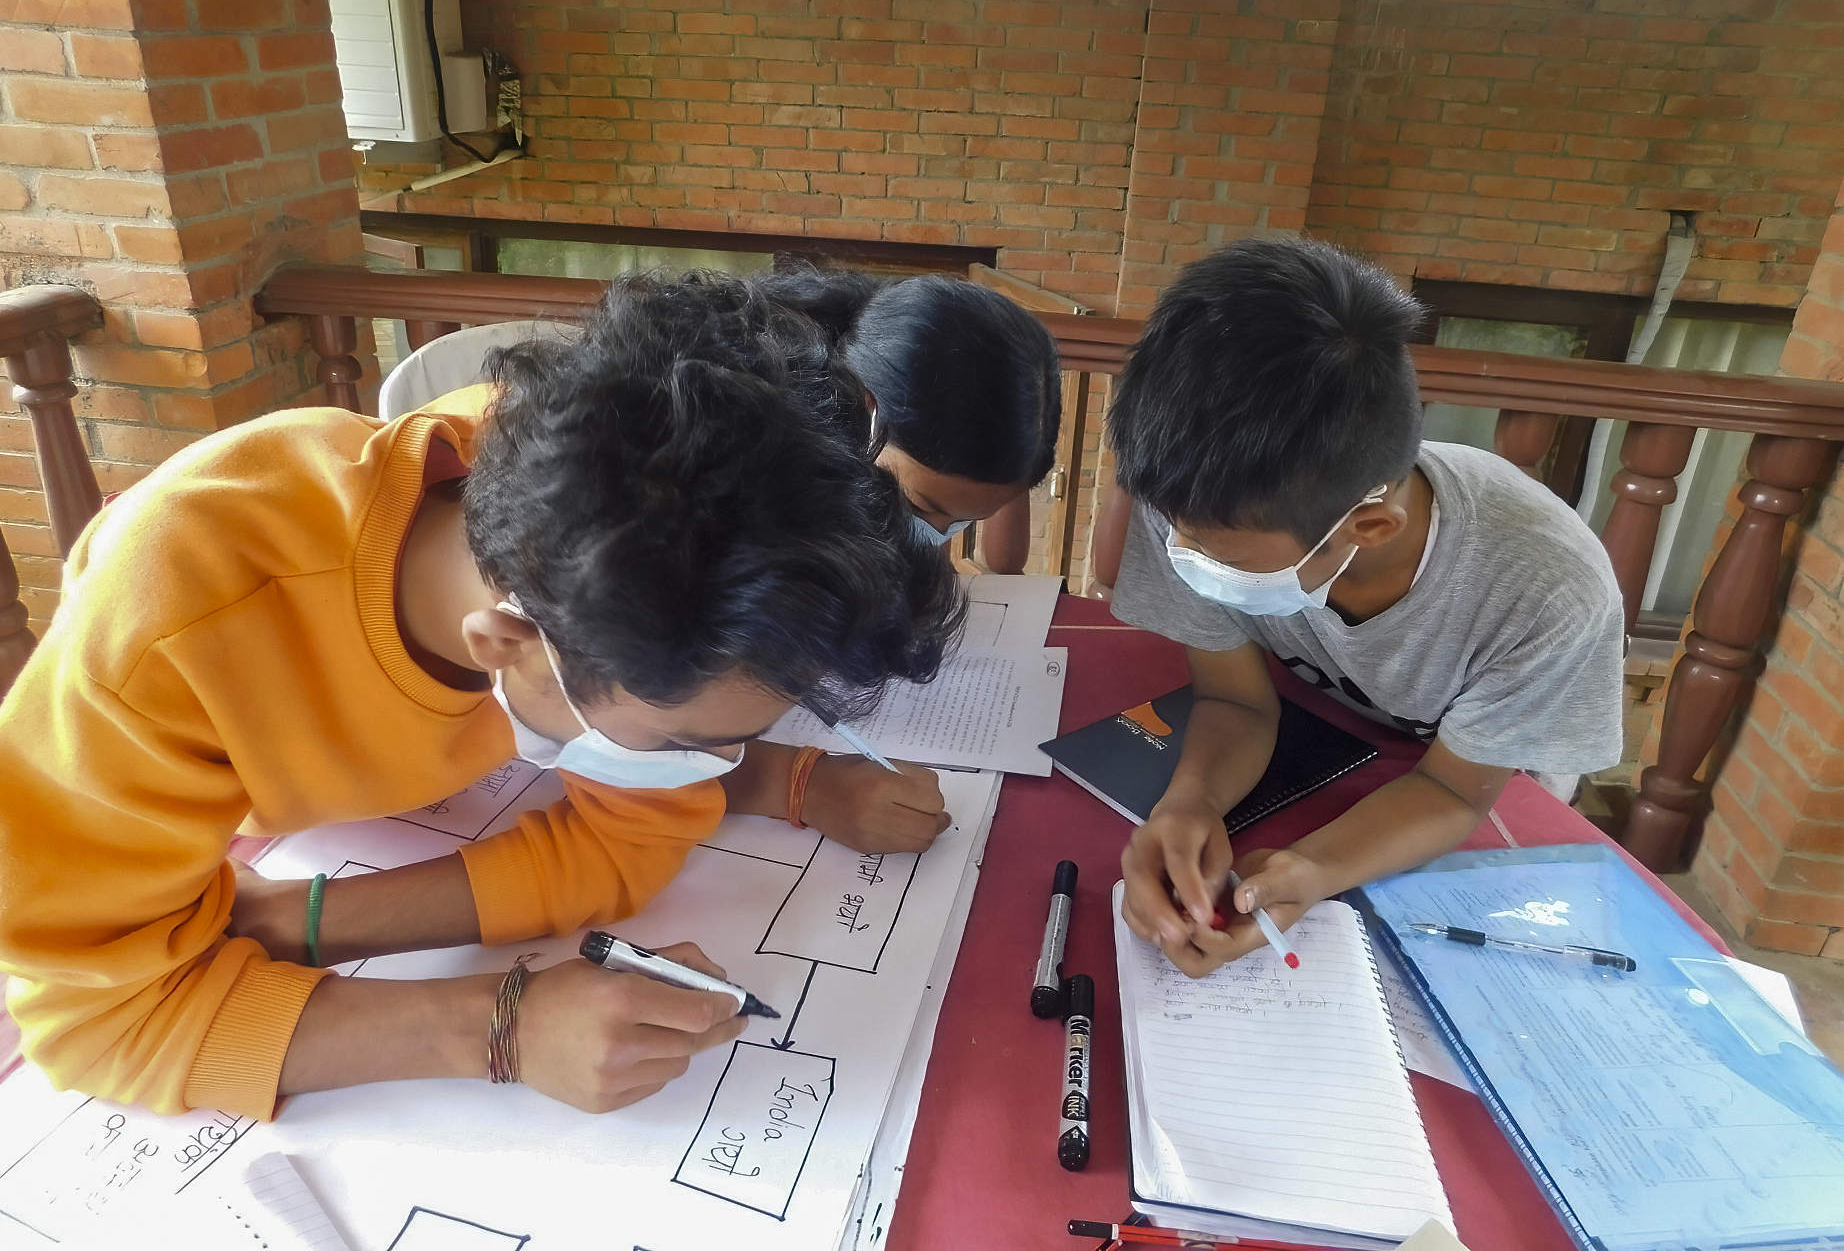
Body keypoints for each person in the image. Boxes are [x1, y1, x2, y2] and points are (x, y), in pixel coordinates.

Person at [0, 271, 962, 1121]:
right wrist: (491, 1026)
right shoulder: (169, 627)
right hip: (205, 829)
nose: (704, 777)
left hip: (307, 863)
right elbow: (92, 1012)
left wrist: (297, 921)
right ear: (510, 646)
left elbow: (625, 845)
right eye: (684, 743)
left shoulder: (622, 525)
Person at [1108, 239, 1625, 979]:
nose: (1183, 554)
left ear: (1368, 528)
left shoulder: (1545, 590)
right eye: (1172, 529)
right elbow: (1234, 697)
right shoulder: (1199, 499)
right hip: (1312, 736)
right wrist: (1188, 805)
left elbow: (1452, 790)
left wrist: (1311, 872)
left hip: (1477, 776)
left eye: (1224, 556)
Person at [756, 269, 1063, 549]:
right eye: (917, 508)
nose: (933, 542)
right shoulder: (747, 486)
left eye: (963, 522)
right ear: (865, 413)